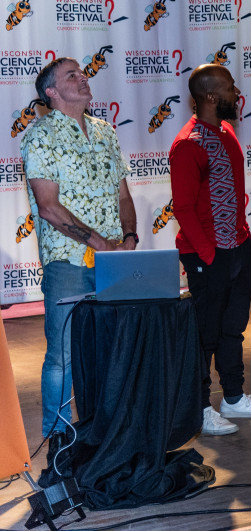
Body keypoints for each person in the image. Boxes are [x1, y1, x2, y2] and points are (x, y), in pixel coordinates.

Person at [21, 57, 138, 440]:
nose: (83, 78)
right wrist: (100, 243)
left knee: (111, 348)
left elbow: (123, 194)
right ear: (51, 93)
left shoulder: (104, 131)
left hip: (113, 261)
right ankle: (57, 437)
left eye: (83, 73)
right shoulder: (40, 135)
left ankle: (105, 431)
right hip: (69, 261)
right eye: (71, 75)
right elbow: (49, 207)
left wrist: (131, 237)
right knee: (63, 354)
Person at [170, 63, 251, 436]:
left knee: (233, 327)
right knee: (204, 334)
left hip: (238, 246)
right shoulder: (188, 145)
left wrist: (241, 241)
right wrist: (208, 254)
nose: (237, 93)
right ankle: (199, 408)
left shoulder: (226, 131)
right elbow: (183, 208)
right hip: (207, 254)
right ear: (212, 97)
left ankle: (233, 397)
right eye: (231, 88)